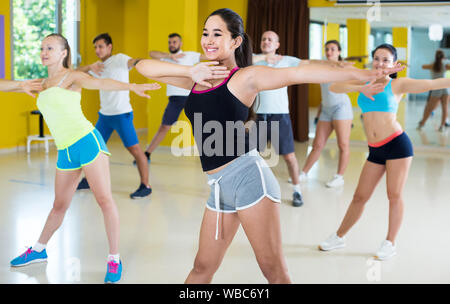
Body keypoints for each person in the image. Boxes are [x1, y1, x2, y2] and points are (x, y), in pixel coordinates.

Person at [135, 9, 402, 283]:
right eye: (205, 33)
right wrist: (189, 70)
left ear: (235, 42)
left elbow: (300, 73)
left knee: (274, 273)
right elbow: (143, 67)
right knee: (202, 267)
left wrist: (365, 73)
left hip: (249, 181)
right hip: (218, 187)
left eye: (218, 34)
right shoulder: (195, 77)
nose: (209, 40)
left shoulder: (245, 78)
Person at [9, 33, 160, 283]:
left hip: (87, 143)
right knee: (59, 205)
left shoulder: (72, 77)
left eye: (50, 47)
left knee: (104, 200)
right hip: (65, 150)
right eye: (42, 48)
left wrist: (132, 86)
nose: (44, 52)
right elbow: (9, 85)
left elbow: (102, 84)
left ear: (63, 52)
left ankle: (114, 259)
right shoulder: (41, 83)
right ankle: (38, 249)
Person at [319, 44, 450, 261]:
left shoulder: (398, 84)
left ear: (393, 64)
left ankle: (390, 242)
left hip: (397, 145)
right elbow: (335, 86)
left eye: (386, 59)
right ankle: (339, 236)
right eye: (377, 58)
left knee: (394, 195)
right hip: (375, 150)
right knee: (360, 196)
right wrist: (361, 88)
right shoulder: (365, 80)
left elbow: (434, 83)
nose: (380, 63)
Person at [75, 33, 152, 199]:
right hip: (104, 116)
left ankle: (145, 185)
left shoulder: (119, 59)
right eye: (95, 47)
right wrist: (89, 67)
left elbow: (133, 62)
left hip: (122, 114)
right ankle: (89, 180)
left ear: (109, 47)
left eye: (101, 46)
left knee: (135, 150)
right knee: (92, 148)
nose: (97, 50)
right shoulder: (97, 67)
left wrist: (141, 63)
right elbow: (75, 73)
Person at [138, 33, 202, 163]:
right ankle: (147, 154)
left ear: (180, 43)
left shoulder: (190, 55)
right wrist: (169, 56)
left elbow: (208, 57)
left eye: (174, 42)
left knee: (201, 126)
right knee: (164, 126)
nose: (172, 44)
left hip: (193, 96)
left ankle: (209, 155)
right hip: (175, 99)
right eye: (170, 42)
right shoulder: (165, 58)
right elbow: (151, 54)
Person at [299, 40, 353, 188]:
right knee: (317, 144)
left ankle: (339, 177)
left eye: (333, 49)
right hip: (326, 109)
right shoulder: (322, 67)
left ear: (339, 52)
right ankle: (303, 173)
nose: (329, 52)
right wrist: (318, 113)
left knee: (343, 144)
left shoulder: (343, 67)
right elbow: (305, 63)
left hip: (341, 108)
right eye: (327, 49)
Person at [418, 50, 450, 132]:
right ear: (443, 57)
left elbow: (423, 66)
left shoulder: (433, 65)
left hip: (436, 88)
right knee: (445, 108)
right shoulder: (446, 65)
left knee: (429, 108)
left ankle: (422, 124)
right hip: (445, 87)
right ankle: (442, 126)